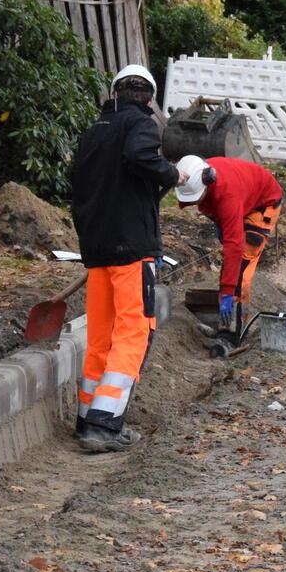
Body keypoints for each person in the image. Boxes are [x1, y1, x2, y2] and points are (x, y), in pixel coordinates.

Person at [68, 63, 191, 453]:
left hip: (97, 250)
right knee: (133, 331)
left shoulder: (93, 133)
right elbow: (141, 157)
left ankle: (88, 416)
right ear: (149, 99)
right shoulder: (140, 124)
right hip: (132, 250)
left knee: (101, 335)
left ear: (114, 92)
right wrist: (171, 174)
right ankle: (105, 425)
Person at [175, 154, 284, 328]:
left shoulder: (227, 194)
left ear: (206, 184)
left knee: (241, 266)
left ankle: (235, 331)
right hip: (245, 196)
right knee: (232, 266)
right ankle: (225, 325)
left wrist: (227, 291)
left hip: (263, 203)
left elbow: (234, 246)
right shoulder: (198, 172)